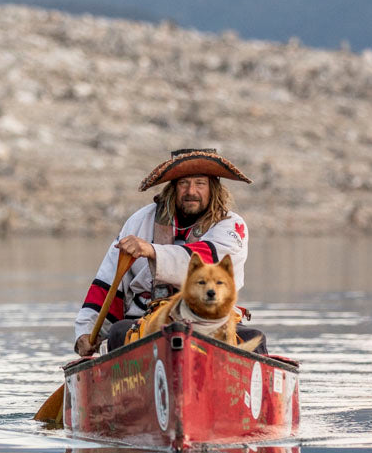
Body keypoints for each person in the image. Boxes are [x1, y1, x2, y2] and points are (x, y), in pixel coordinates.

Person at [72, 147, 264, 356]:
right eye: (183, 183)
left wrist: (152, 251)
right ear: (173, 187)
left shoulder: (231, 225)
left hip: (212, 319)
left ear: (213, 187)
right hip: (146, 318)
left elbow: (207, 261)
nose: (191, 191)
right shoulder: (139, 220)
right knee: (118, 332)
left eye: (200, 183)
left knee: (255, 339)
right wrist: (87, 331)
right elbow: (109, 282)